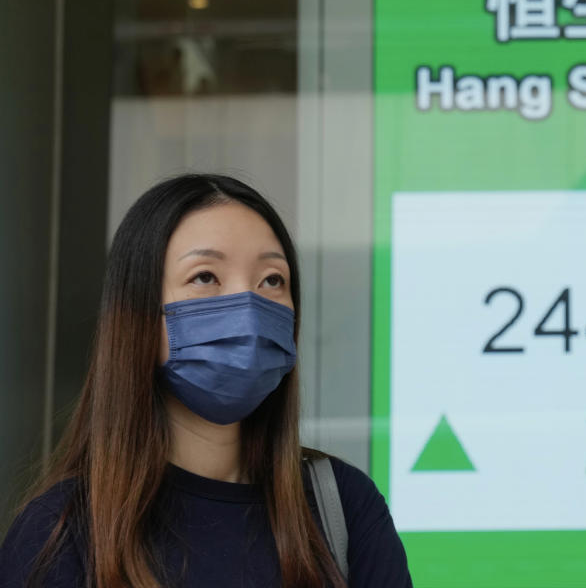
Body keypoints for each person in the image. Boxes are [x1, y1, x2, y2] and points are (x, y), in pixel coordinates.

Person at [0, 174, 412, 587]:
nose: (248, 310)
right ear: (138, 314)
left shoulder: (342, 505)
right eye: (205, 277)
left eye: (272, 280)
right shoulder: (58, 534)